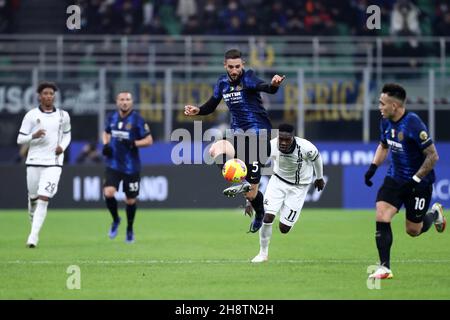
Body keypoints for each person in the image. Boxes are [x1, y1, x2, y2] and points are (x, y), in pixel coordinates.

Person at [184, 48, 285, 233]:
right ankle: (238, 176)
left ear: (242, 65)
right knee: (215, 150)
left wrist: (274, 85)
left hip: (259, 135)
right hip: (237, 134)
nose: (234, 70)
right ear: (225, 65)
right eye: (231, 67)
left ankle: (260, 213)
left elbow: (265, 87)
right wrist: (198, 110)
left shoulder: (248, 78)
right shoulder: (222, 82)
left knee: (252, 193)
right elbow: (211, 106)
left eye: (237, 66)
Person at [364, 83, 446, 280]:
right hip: (395, 177)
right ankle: (384, 268)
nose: (379, 107)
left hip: (420, 184)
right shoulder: (384, 121)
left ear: (395, 106)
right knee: (382, 214)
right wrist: (373, 168)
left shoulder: (413, 123)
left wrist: (416, 179)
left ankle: (434, 214)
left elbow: (433, 156)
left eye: (382, 103)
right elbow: (384, 146)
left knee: (413, 230)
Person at [251, 124, 325, 263]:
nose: (284, 143)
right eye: (281, 139)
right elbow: (257, 167)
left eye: (287, 139)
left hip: (299, 187)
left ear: (293, 138)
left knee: (284, 229)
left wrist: (319, 177)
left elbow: (317, 159)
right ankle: (262, 254)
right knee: (267, 218)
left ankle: (284, 211)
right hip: (277, 182)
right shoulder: (271, 146)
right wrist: (251, 197)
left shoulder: (306, 147)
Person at [16, 82, 71, 248]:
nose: (48, 96)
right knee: (33, 198)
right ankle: (33, 215)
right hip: (34, 161)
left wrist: (62, 147)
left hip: (53, 163)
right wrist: (34, 135)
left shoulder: (63, 115)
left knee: (44, 198)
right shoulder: (31, 115)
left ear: (54, 96)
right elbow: (20, 139)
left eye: (51, 93)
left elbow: (67, 135)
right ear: (39, 96)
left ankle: (33, 237)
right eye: (45, 93)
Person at [102, 91, 153, 243]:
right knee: (109, 192)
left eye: (128, 99)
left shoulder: (137, 119)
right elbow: (106, 133)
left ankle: (129, 228)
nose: (125, 102)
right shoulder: (111, 117)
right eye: (122, 99)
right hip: (113, 164)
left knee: (130, 200)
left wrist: (133, 143)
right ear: (117, 102)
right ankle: (116, 219)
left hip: (131, 167)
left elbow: (149, 140)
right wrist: (106, 144)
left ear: (132, 102)